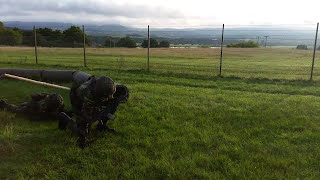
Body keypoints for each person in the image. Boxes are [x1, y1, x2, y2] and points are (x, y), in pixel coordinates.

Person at [59, 75, 129, 148]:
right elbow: (87, 112)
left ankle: (101, 126)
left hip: (94, 99)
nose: (110, 97)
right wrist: (83, 135)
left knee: (111, 105)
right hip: (78, 102)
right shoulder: (86, 93)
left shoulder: (102, 87)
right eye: (108, 95)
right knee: (83, 125)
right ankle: (64, 117)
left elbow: (107, 100)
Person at [0, 93, 66, 121]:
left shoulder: (48, 114)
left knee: (18, 109)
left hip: (32, 109)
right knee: (19, 108)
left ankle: (4, 104)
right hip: (32, 107)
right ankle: (4, 104)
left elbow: (33, 118)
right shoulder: (55, 111)